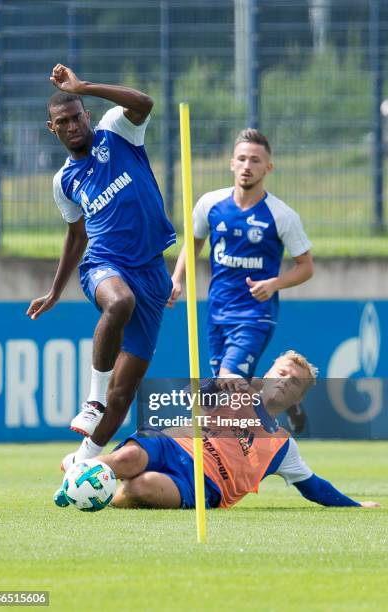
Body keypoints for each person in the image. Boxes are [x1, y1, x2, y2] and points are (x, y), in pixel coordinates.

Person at [27, 64, 176, 463]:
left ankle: (84, 460)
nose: (73, 125)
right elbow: (77, 236)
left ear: (87, 116)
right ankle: (92, 401)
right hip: (104, 266)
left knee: (125, 392)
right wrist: (56, 290)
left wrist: (85, 86)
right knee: (119, 303)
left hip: (152, 275)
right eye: (63, 122)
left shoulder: (117, 130)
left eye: (77, 117)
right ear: (52, 128)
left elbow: (145, 103)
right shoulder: (64, 182)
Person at [55, 351, 379, 510]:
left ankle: (97, 493)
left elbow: (313, 487)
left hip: (203, 484)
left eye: (294, 382)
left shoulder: (283, 446)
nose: (283, 382)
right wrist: (215, 383)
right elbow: (188, 396)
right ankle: (75, 477)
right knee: (128, 457)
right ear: (267, 373)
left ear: (299, 398)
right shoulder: (235, 389)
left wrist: (355, 505)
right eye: (280, 373)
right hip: (172, 443)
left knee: (144, 487)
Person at [168, 129, 314, 431]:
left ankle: (223, 440)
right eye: (243, 158)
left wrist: (274, 284)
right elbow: (193, 243)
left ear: (267, 168)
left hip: (255, 315)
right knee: (232, 385)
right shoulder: (210, 204)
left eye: (256, 160)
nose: (248, 165)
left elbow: (306, 267)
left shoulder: (281, 215)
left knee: (226, 382)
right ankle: (291, 404)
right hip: (217, 310)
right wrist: (177, 279)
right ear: (231, 163)